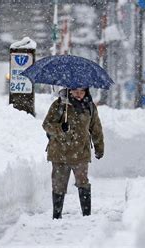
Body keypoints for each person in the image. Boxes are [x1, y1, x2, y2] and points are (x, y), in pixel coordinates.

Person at [42, 87, 104, 219]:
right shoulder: (59, 105)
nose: (79, 95)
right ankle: (56, 216)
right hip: (59, 153)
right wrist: (60, 128)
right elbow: (46, 125)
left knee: (83, 183)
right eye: (76, 92)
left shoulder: (90, 107)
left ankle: (86, 215)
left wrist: (99, 148)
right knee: (58, 185)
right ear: (70, 91)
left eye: (82, 92)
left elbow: (96, 128)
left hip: (81, 153)